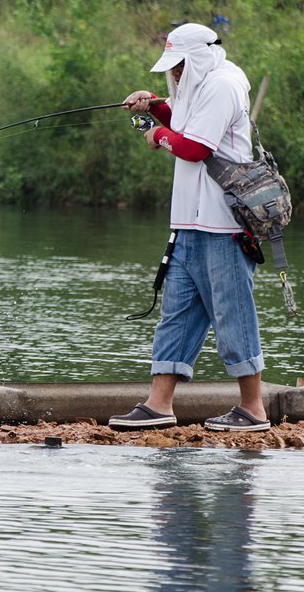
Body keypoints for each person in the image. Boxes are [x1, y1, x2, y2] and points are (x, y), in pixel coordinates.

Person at [108, 22, 270, 433]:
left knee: (233, 313)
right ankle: (158, 405)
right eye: (171, 67)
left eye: (179, 66)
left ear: (198, 57)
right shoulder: (197, 85)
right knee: (176, 313)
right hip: (188, 223)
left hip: (223, 225)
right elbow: (183, 121)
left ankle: (253, 409)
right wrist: (155, 108)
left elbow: (194, 147)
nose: (175, 73)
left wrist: (158, 135)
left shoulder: (223, 84)